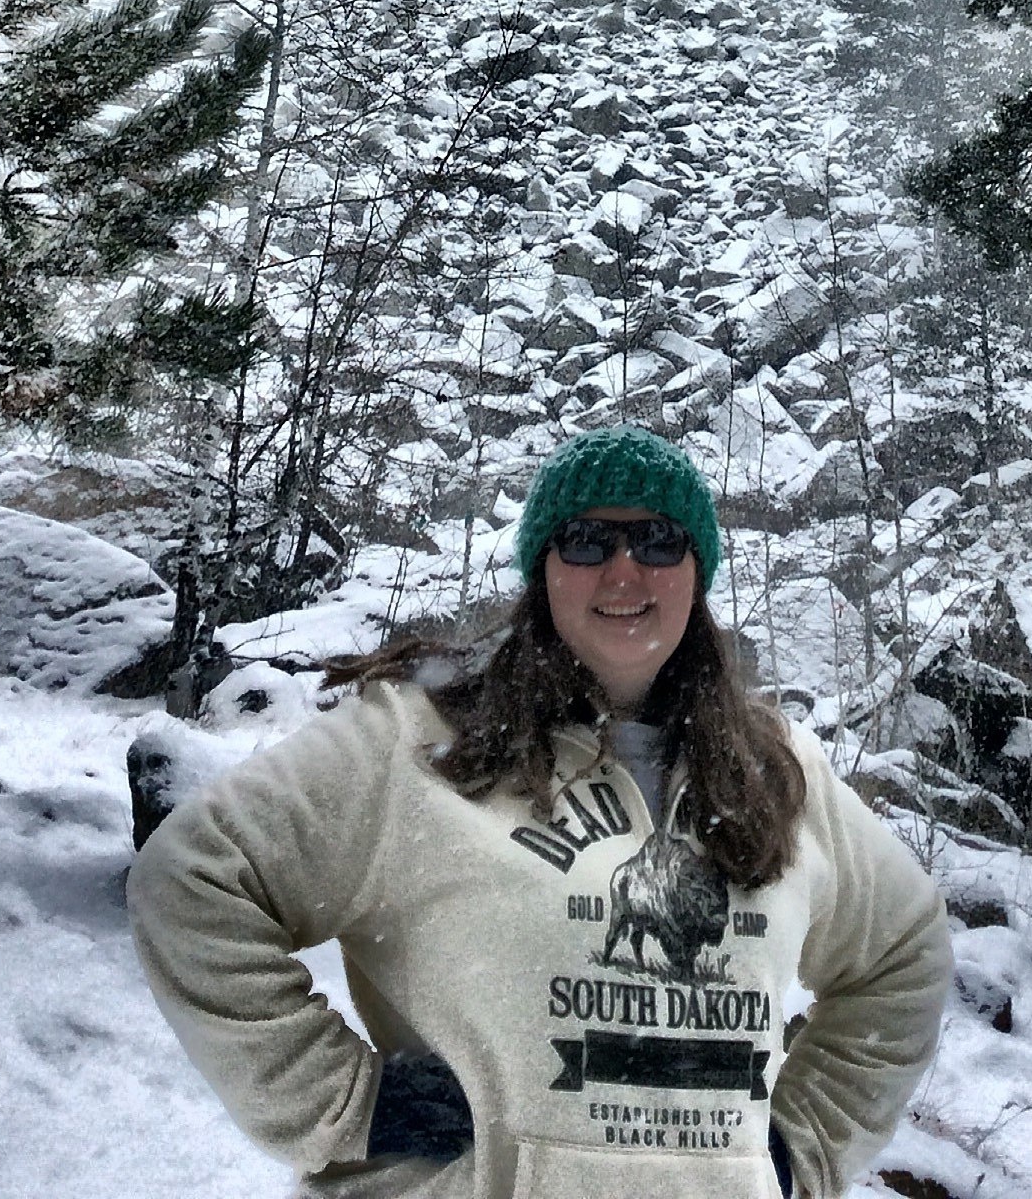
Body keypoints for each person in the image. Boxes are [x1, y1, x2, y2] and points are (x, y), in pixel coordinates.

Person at [130, 423, 952, 1198]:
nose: (625, 572)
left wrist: (801, 1138)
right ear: (544, 569)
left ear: (698, 571)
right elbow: (196, 879)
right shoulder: (420, 742)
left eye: (660, 542)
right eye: (588, 541)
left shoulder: (775, 769)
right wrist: (343, 1104)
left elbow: (903, 955)